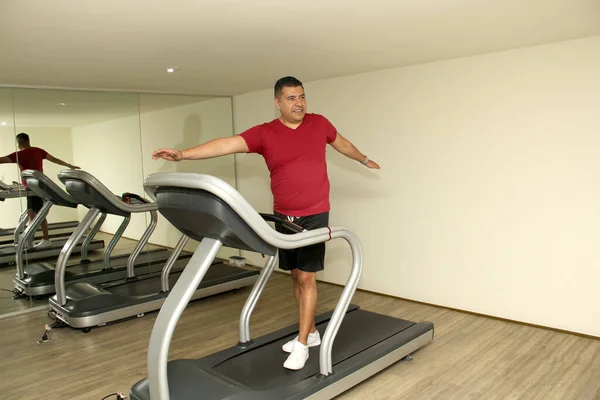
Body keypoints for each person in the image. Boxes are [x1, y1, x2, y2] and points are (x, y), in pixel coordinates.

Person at [152, 76, 380, 370]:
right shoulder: (265, 133)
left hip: (315, 213)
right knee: (296, 276)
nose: (298, 103)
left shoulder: (319, 123)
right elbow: (226, 144)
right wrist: (183, 155)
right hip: (283, 215)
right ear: (277, 103)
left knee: (308, 278)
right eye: (291, 98)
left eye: (301, 97)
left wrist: (364, 159)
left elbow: (343, 144)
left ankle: (301, 346)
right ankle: (310, 333)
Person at [0, 133, 80, 249]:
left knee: (38, 214)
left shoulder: (19, 155)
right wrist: (69, 165)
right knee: (31, 213)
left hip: (33, 188)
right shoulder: (38, 151)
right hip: (36, 187)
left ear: (19, 143)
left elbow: (1, 160)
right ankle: (31, 240)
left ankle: (45, 239)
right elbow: (54, 159)